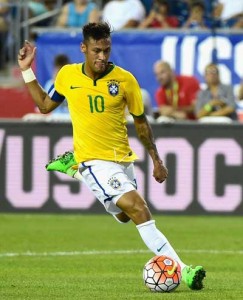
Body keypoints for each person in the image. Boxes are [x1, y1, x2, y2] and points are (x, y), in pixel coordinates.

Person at [18, 22, 205, 290]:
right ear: (83, 48)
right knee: (140, 209)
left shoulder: (125, 80)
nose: (102, 57)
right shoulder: (68, 76)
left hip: (122, 159)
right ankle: (184, 270)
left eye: (106, 50)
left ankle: (74, 170)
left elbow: (141, 123)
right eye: (96, 50)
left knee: (124, 216)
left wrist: (156, 159)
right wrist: (26, 71)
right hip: (93, 159)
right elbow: (46, 106)